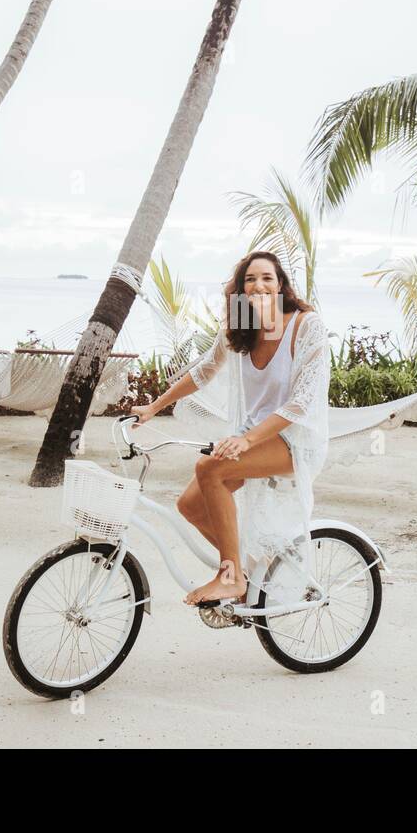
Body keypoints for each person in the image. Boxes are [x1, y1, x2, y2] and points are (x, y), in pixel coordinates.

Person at [130, 250, 331, 605]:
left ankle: (230, 578)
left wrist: (244, 441)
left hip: (293, 439)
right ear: (240, 291)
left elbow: (301, 403)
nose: (259, 285)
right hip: (251, 438)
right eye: (249, 279)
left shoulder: (306, 325)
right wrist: (153, 407)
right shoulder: (240, 328)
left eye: (267, 278)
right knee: (190, 505)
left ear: (281, 285)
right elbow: (204, 371)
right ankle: (248, 570)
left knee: (210, 467)